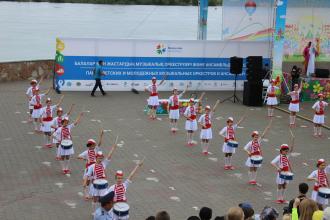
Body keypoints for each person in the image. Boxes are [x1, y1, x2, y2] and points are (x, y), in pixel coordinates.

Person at [84, 143, 118, 212]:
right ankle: (95, 212)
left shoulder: (104, 164)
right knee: (95, 199)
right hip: (95, 185)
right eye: (99, 158)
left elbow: (109, 156)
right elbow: (87, 175)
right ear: (96, 158)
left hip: (103, 185)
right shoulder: (92, 166)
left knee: (103, 199)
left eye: (101, 158)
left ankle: (102, 210)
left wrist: (113, 148)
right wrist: (84, 182)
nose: (100, 159)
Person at [77, 129, 104, 200]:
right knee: (87, 182)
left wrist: (101, 135)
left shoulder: (96, 150)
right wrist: (84, 159)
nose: (90, 146)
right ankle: (86, 194)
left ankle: (91, 193)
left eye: (91, 145)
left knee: (93, 181)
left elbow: (100, 143)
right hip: (89, 167)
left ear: (94, 145)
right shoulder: (86, 152)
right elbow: (78, 156)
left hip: (95, 167)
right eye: (89, 145)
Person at [244, 120, 271, 184]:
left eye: (257, 137)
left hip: (257, 156)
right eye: (255, 137)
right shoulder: (250, 143)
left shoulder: (259, 141)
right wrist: (248, 152)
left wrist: (267, 128)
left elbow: (263, 135)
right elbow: (245, 148)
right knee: (251, 168)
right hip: (252, 156)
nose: (256, 138)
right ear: (252, 137)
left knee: (255, 168)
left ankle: (254, 179)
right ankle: (250, 180)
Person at [270, 133, 295, 204]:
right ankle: (278, 198)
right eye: (284, 150)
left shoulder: (287, 156)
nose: (286, 152)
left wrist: (293, 140)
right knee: (280, 185)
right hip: (281, 173)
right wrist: (277, 168)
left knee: (285, 185)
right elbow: (272, 162)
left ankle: (282, 198)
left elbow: (292, 149)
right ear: (281, 150)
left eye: (287, 151)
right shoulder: (279, 157)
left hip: (286, 172)